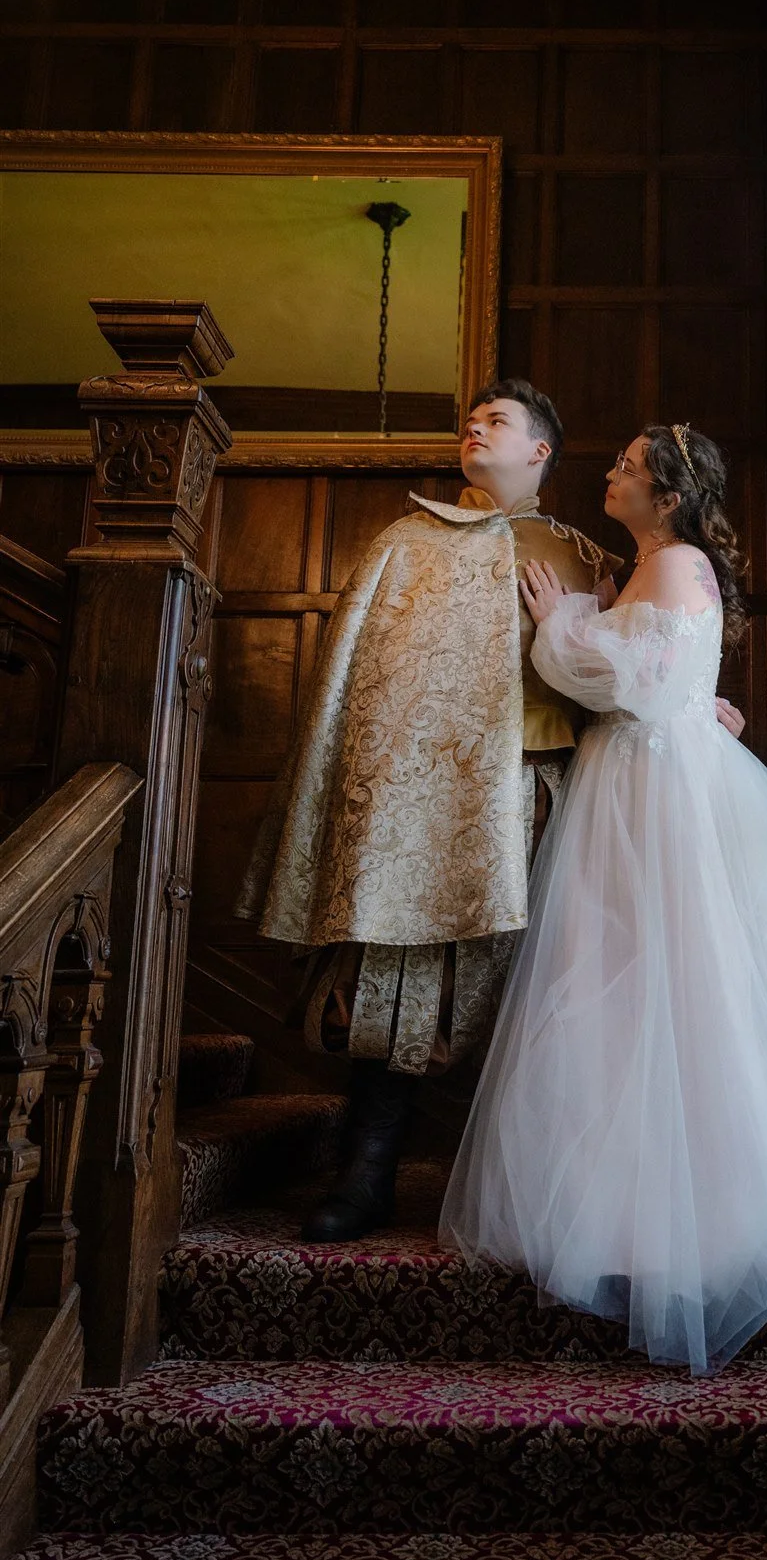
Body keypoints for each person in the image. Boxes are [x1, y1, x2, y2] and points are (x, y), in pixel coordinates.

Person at [439, 423, 767, 1373]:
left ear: (666, 496)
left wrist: (558, 626)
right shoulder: (660, 566)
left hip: (650, 789)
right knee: (630, 985)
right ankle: (625, 1197)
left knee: (669, 983)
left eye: (629, 465)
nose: (614, 470)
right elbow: (668, 679)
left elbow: (627, 683)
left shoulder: (672, 565)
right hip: (647, 777)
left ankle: (697, 1205)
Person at [237, 380, 624, 1242]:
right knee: (400, 983)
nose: (473, 430)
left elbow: (615, 679)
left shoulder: (588, 557)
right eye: (469, 421)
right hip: (422, 803)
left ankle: (534, 1192)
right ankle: (366, 1175)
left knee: (539, 984)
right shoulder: (408, 542)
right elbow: (364, 685)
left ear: (540, 451)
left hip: (539, 792)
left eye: (498, 422)